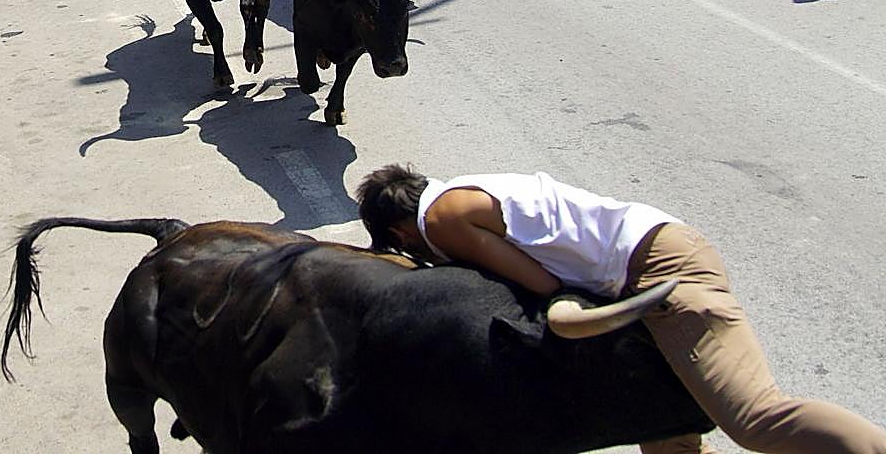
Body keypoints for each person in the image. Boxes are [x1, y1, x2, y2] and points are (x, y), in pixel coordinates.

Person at [356, 164, 886, 454]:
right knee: (660, 429)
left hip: (660, 276)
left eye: (405, 250)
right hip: (644, 268)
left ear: (401, 232)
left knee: (756, 420)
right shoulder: (462, 192)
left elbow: (540, 283)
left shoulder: (443, 221)